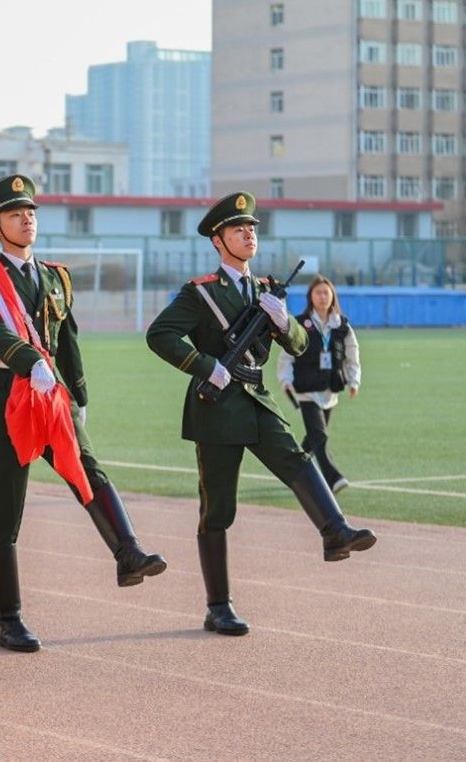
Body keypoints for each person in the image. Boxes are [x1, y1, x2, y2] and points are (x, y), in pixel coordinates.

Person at [146, 191, 377, 637]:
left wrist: (285, 322)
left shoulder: (267, 290)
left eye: (251, 227)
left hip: (254, 395)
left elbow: (300, 346)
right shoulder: (201, 293)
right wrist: (205, 366)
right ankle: (218, 606)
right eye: (238, 229)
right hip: (216, 404)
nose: (248, 233)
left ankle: (335, 531)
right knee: (218, 508)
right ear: (218, 240)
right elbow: (160, 335)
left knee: (297, 459)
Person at [0, 174, 167, 653]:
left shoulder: (56, 277)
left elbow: (68, 340)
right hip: (7, 396)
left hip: (54, 396)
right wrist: (28, 359)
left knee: (88, 472)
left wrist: (80, 396)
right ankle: (10, 620)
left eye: (30, 212)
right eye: (15, 214)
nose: (26, 220)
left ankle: (128, 551)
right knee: (5, 510)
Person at [277, 275, 361, 495]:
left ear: (332, 296)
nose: (322, 296)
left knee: (312, 439)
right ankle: (333, 478)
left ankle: (291, 472)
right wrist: (285, 379)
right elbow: (287, 355)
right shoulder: (299, 324)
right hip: (306, 390)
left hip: (330, 389)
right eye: (318, 293)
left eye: (326, 292)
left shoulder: (342, 326)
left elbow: (352, 355)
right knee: (320, 436)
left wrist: (354, 380)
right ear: (310, 297)